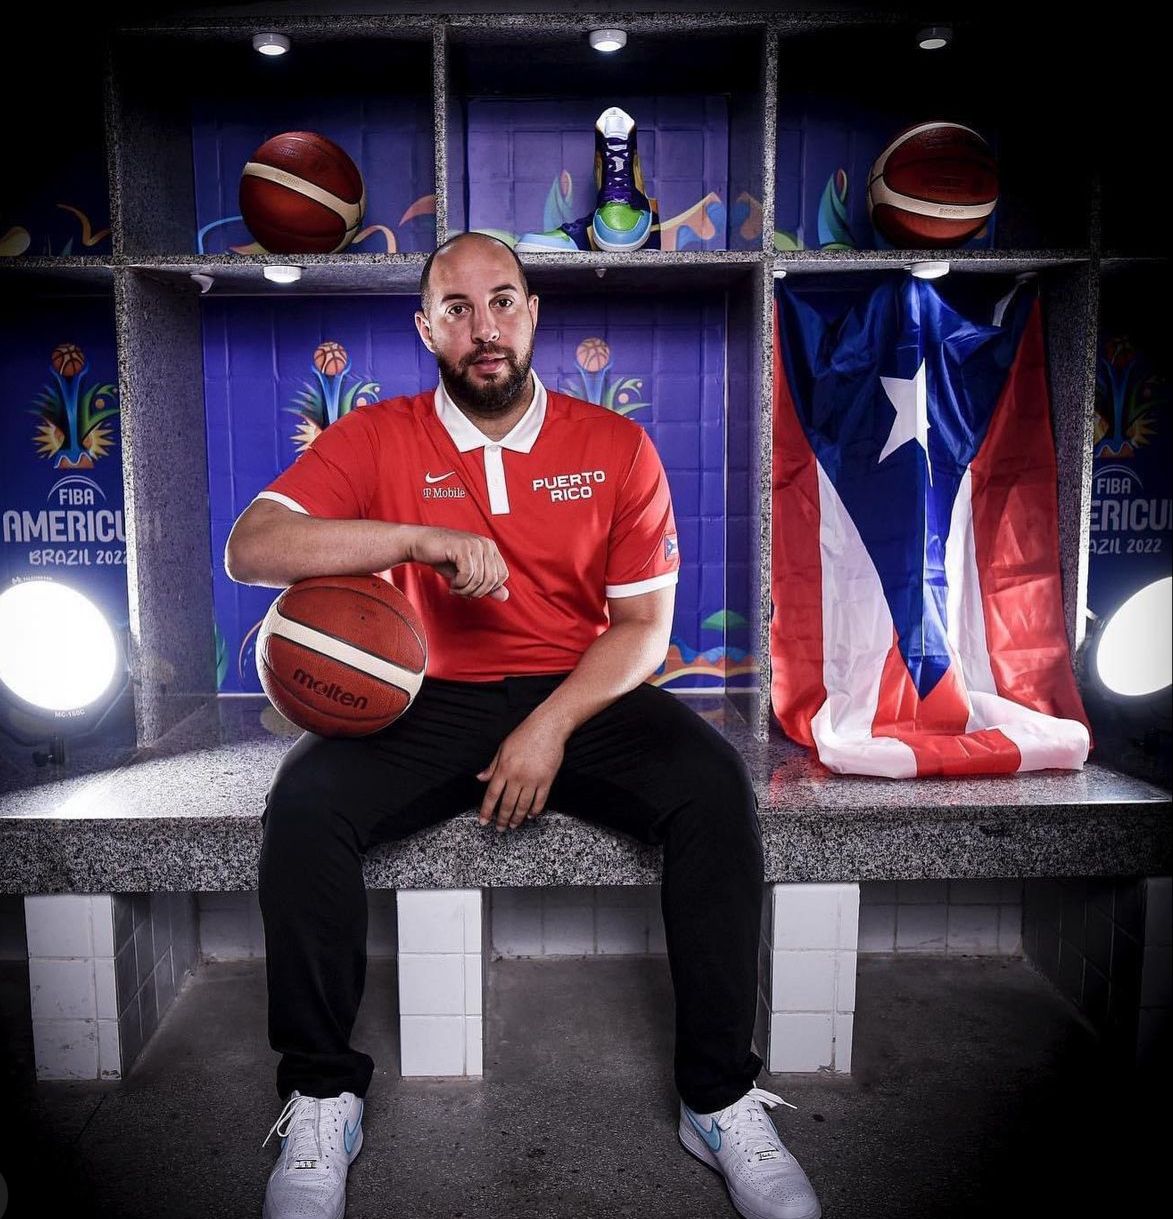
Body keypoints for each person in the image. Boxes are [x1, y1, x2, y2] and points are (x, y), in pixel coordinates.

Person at [224, 231, 821, 1219]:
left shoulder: (615, 446)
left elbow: (643, 629)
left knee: (713, 790)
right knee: (304, 804)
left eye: (502, 301)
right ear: (426, 329)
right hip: (431, 695)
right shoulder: (376, 437)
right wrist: (417, 538)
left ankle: (717, 1098)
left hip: (582, 689)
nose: (484, 327)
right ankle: (323, 1093)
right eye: (456, 309)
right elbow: (253, 547)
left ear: (533, 313)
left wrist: (550, 725)